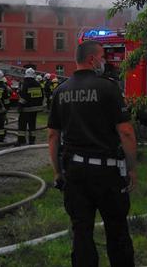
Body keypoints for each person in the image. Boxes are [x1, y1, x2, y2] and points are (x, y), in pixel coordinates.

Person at [48, 40, 137, 267]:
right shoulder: (108, 88)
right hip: (108, 174)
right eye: (102, 57)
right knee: (117, 230)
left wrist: (58, 172)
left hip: (75, 173)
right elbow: (126, 132)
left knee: (82, 232)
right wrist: (132, 168)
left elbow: (52, 136)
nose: (104, 61)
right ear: (92, 59)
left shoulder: (61, 91)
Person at [17, 67, 44, 145]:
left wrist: (19, 106)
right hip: (34, 109)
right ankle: (32, 141)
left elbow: (24, 97)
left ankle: (21, 141)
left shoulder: (25, 84)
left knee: (22, 125)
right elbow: (41, 96)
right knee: (32, 126)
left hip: (26, 109)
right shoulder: (38, 84)